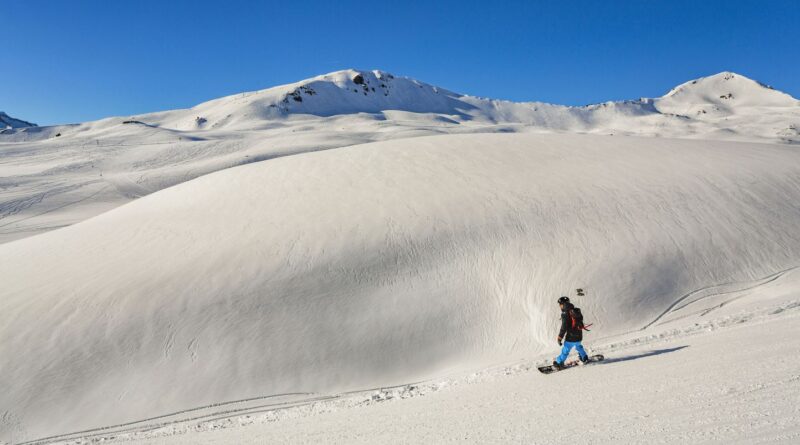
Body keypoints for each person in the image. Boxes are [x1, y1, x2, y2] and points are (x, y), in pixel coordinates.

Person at [553, 296, 589, 369]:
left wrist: (560, 337)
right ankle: (584, 357)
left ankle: (559, 362)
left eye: (560, 304)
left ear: (563, 304)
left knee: (566, 349)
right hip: (579, 336)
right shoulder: (575, 310)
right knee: (578, 346)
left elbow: (564, 327)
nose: (559, 306)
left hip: (571, 337)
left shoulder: (565, 313)